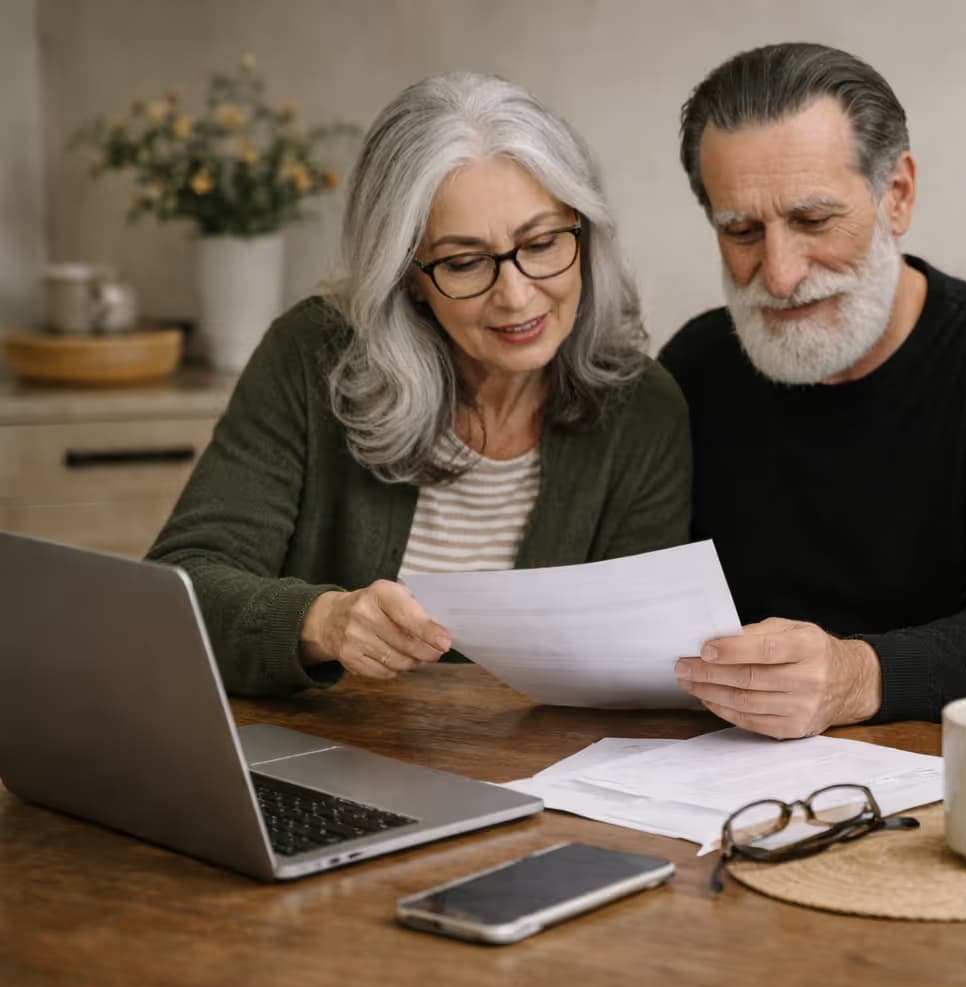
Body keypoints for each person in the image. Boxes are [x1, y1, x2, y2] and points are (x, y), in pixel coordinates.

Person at [150, 71, 690, 697]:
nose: (516, 296)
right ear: (407, 275)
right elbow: (179, 586)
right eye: (464, 262)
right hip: (331, 763)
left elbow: (638, 663)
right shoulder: (311, 358)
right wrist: (319, 621)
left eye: (541, 243)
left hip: (543, 775)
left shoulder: (642, 407)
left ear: (584, 229)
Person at [661, 43, 966, 740]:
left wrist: (854, 676)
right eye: (742, 231)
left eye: (814, 221)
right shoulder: (696, 365)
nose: (779, 276)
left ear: (896, 194)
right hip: (735, 775)